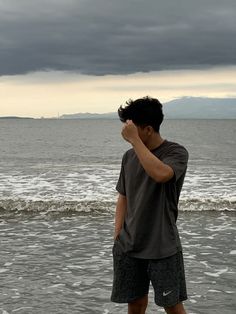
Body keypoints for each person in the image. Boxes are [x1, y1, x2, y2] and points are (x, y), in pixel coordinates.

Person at [111, 96, 189, 314]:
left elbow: (161, 174)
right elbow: (123, 196)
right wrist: (117, 236)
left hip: (162, 246)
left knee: (172, 306)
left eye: (133, 128)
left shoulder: (176, 152)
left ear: (147, 129)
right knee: (135, 305)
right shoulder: (129, 157)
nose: (127, 133)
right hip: (129, 246)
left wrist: (135, 141)